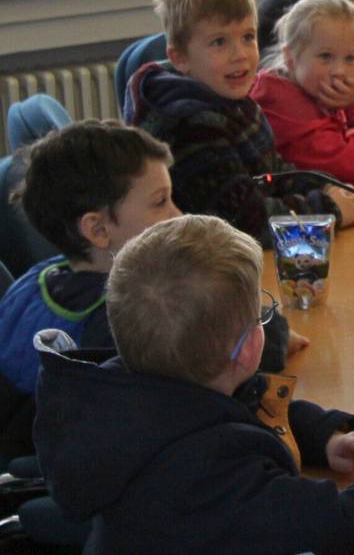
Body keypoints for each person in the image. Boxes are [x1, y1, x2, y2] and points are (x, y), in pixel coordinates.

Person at [33, 214, 354, 553]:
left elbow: (245, 405)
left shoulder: (131, 396)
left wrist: (325, 438)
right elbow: (337, 527)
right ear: (250, 348)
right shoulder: (211, 471)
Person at [0, 121, 305, 464]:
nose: (178, 214)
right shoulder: (127, 315)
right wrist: (271, 329)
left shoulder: (41, 276)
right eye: (160, 202)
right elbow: (221, 374)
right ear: (97, 229)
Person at [124, 0, 354, 245]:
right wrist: (327, 211)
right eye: (219, 42)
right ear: (180, 58)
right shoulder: (191, 126)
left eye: (248, 37)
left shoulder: (232, 99)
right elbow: (244, 224)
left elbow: (272, 173)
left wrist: (322, 184)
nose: (240, 55)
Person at [251, 0, 354, 185]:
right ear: (290, 58)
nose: (339, 71)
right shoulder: (290, 113)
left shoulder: (311, 92)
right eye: (325, 56)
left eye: (350, 58)